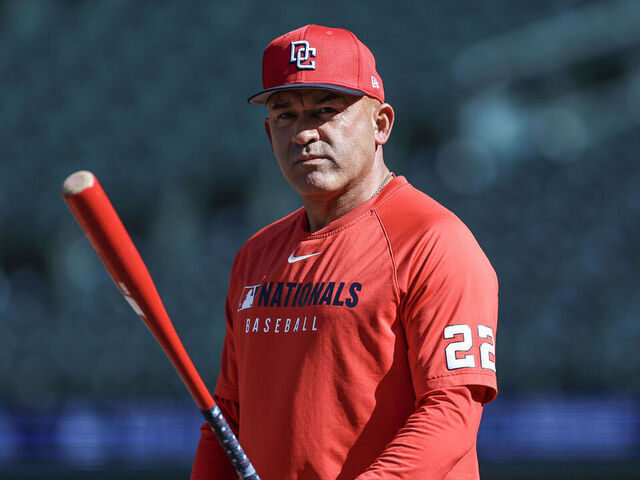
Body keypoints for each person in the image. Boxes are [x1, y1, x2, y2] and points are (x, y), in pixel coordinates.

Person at [192, 24, 498, 480]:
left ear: (381, 125)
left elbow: (451, 412)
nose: (303, 134)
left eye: (326, 110)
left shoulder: (434, 240)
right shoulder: (255, 256)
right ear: (267, 133)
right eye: (285, 116)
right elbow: (228, 420)